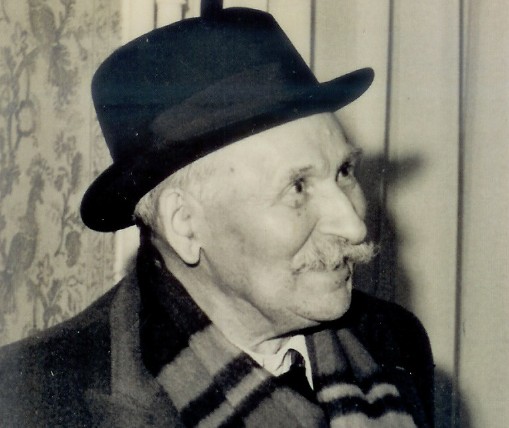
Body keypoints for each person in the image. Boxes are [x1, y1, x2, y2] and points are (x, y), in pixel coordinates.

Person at [0, 7, 433, 427]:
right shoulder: (36, 402)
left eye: (344, 172)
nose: (354, 226)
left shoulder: (394, 340)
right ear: (185, 224)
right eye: (298, 188)